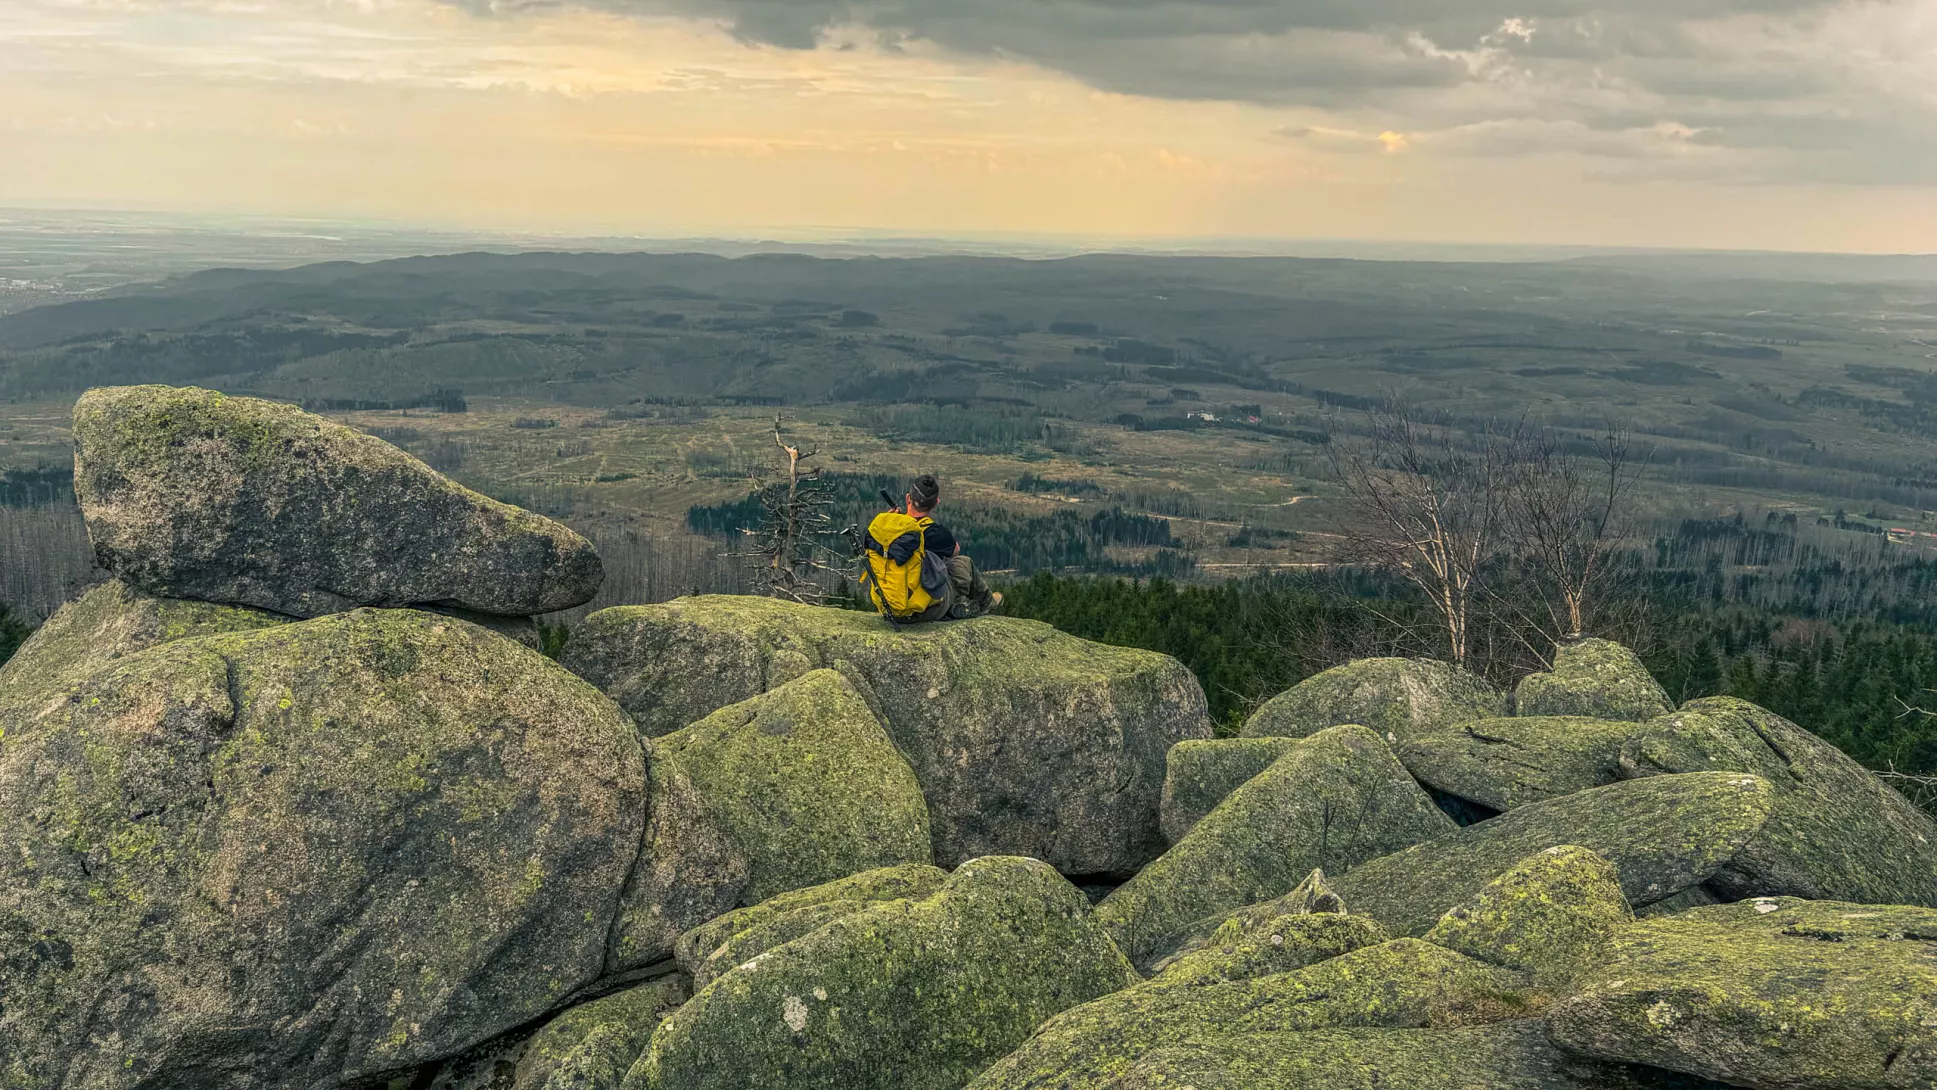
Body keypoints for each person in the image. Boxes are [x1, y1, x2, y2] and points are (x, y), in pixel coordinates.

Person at [904, 474, 1001, 621]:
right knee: (963, 563)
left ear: (908, 498)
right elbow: (955, 551)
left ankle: (955, 607)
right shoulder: (937, 533)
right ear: (936, 503)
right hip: (923, 610)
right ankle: (986, 602)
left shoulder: (887, 529)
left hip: (890, 606)